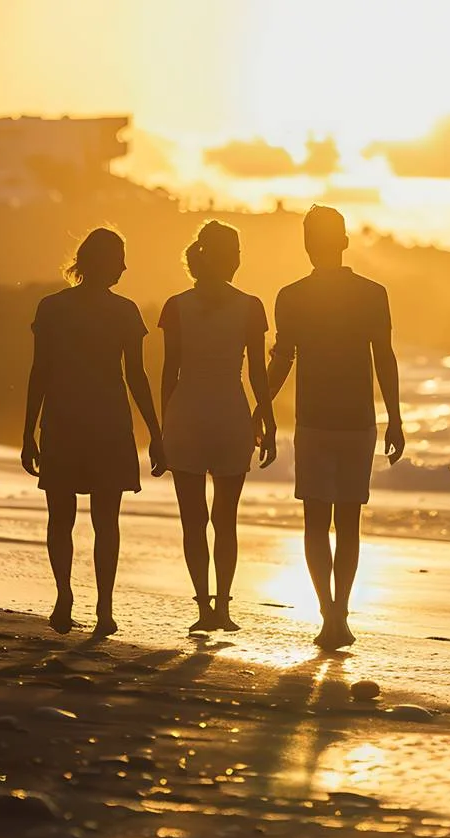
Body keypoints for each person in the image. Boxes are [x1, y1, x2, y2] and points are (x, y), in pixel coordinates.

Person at [265, 205, 404, 650]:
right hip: (355, 421)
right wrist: (395, 418)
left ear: (309, 244)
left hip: (317, 422)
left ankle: (330, 614)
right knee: (347, 521)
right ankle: (337, 614)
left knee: (315, 520)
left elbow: (282, 359)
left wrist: (261, 407)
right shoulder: (371, 293)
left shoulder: (291, 295)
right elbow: (384, 355)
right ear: (343, 242)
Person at [21, 228, 165, 637]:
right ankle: (104, 608)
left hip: (62, 421)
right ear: (104, 262)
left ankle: (64, 595)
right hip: (108, 425)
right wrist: (155, 432)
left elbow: (40, 373)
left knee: (59, 518)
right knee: (107, 521)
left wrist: (28, 432)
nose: (124, 266)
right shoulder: (124, 311)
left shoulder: (52, 307)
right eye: (120, 257)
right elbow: (135, 376)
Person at [159, 221, 277, 632]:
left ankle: (203, 610)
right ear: (232, 258)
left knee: (192, 518)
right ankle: (223, 609)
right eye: (238, 251)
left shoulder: (176, 305)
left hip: (185, 413)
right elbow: (258, 375)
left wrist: (161, 429)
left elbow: (168, 373)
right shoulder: (251, 306)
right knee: (225, 519)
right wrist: (269, 420)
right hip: (230, 414)